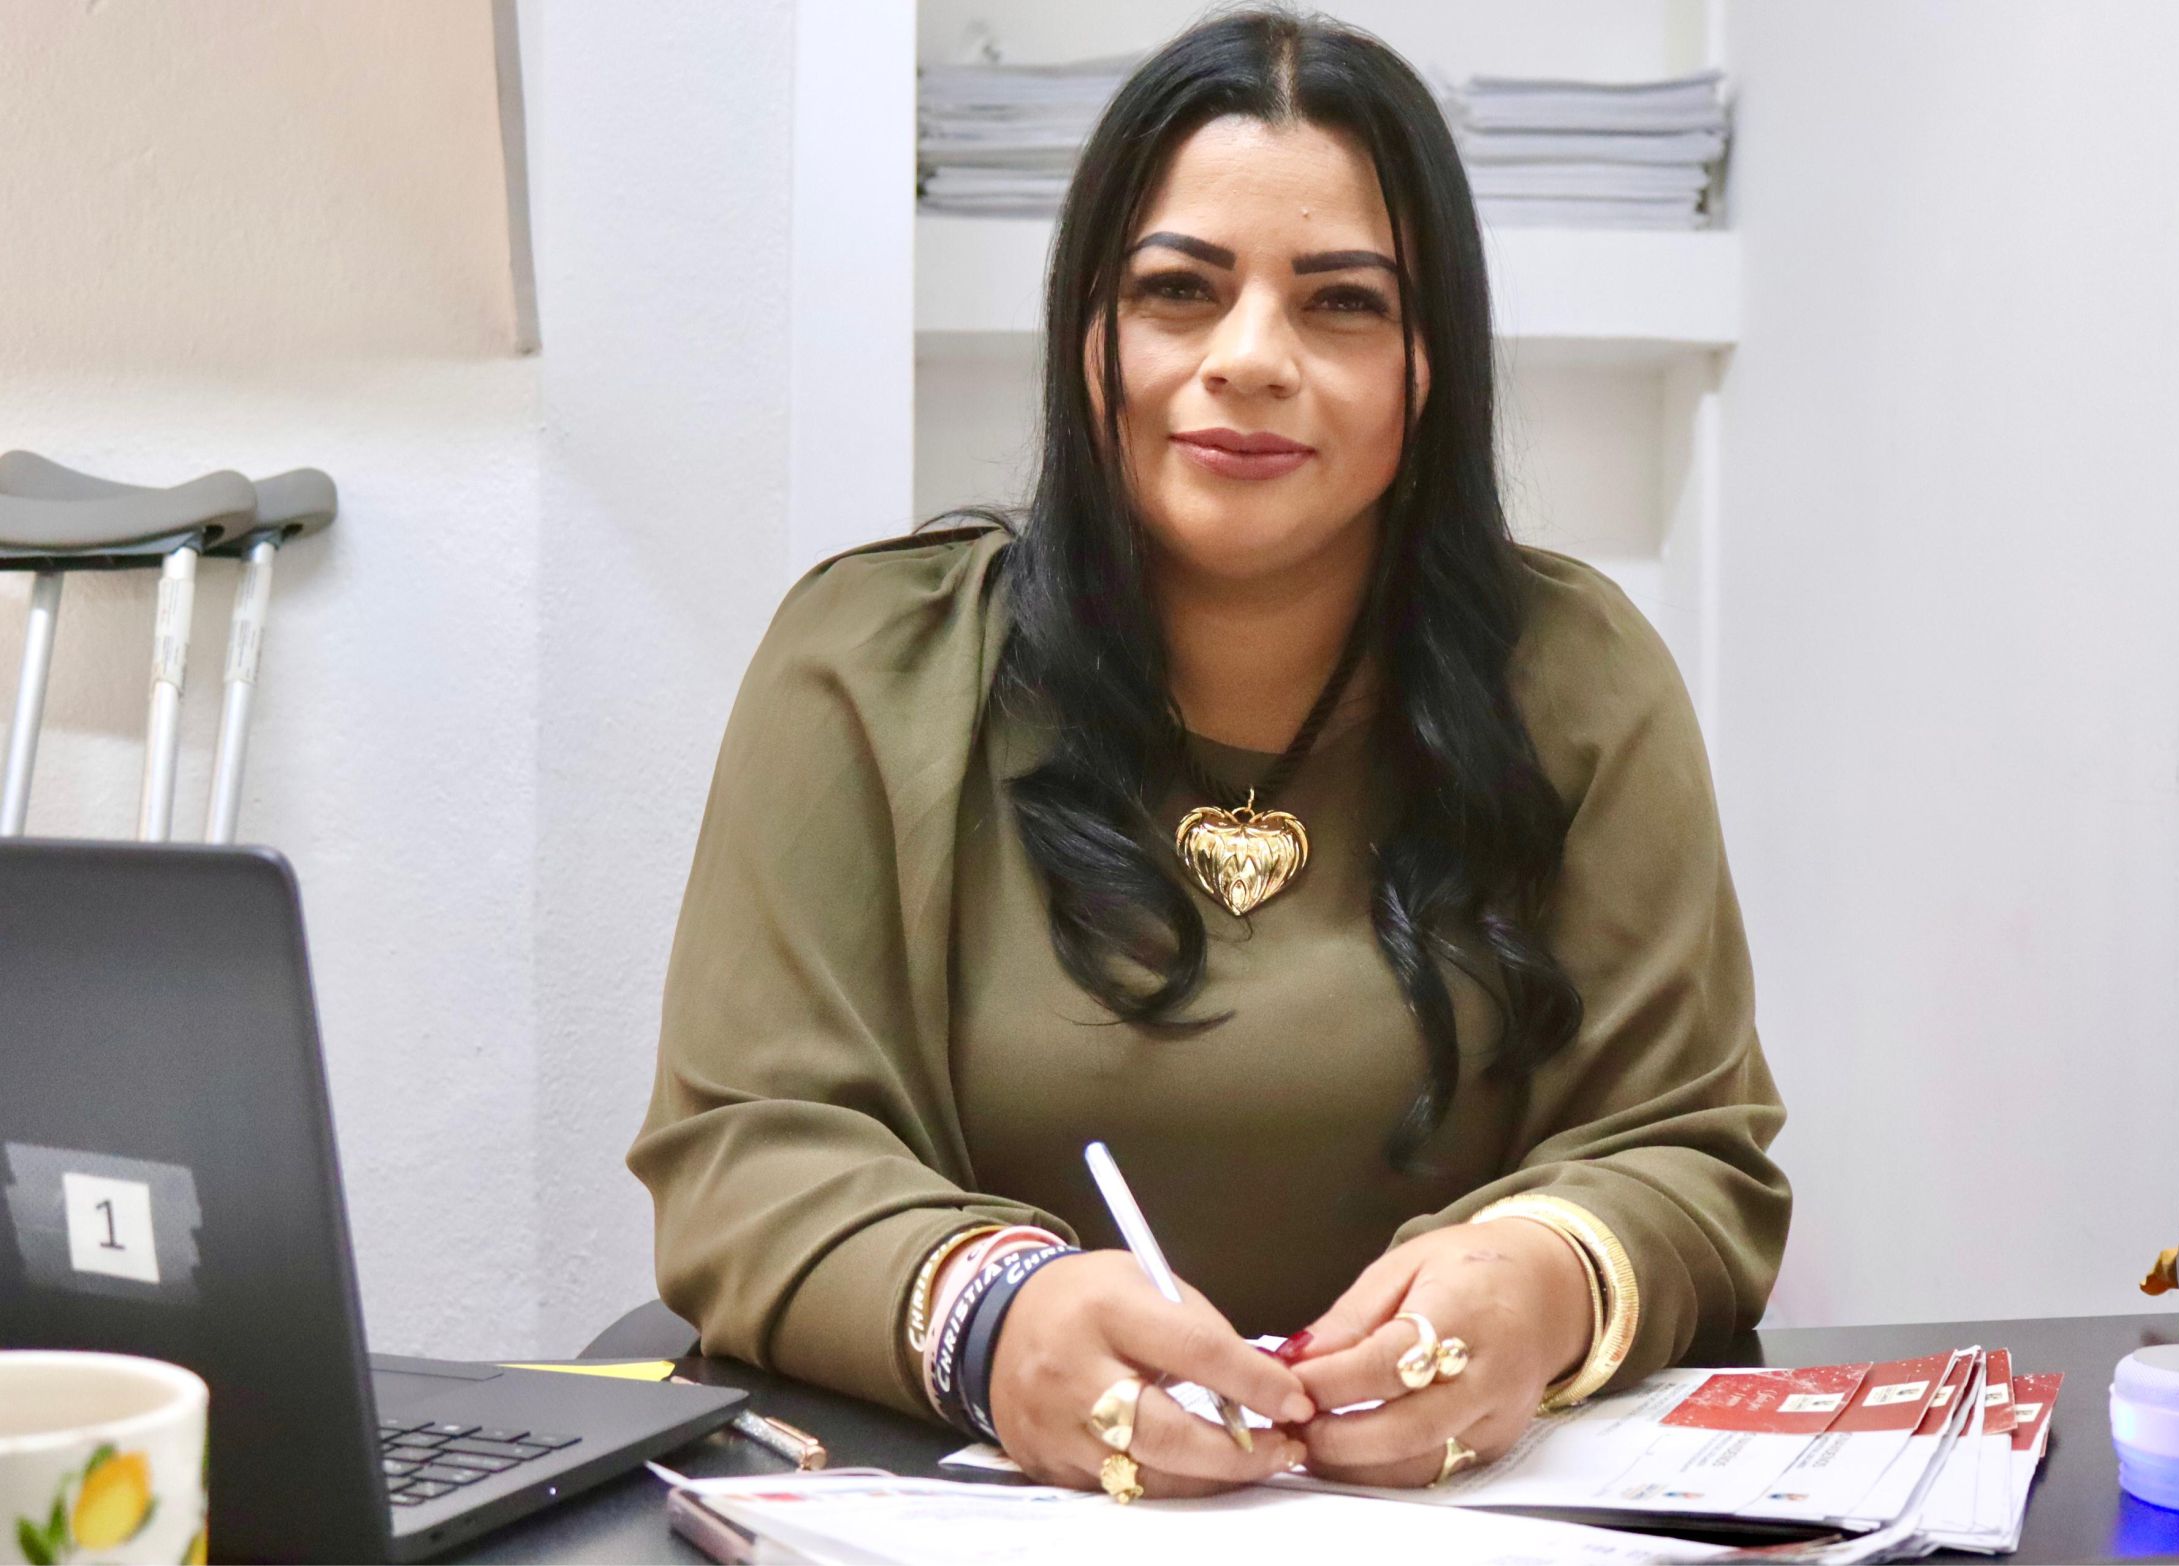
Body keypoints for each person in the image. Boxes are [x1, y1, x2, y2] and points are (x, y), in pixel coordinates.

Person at [629, 5, 1789, 1503]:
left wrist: (1547, 1278)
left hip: (1451, 1517)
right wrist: (992, 1317)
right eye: (1179, 290)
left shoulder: (1574, 675)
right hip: (975, 1508)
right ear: (1090, 337)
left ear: (1430, 364)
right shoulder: (869, 663)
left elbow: (1692, 1147)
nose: (1250, 359)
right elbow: (743, 1151)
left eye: (1343, 303)